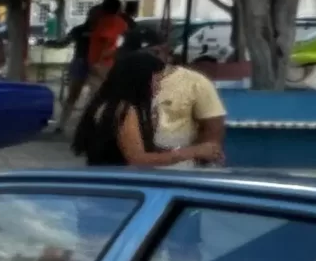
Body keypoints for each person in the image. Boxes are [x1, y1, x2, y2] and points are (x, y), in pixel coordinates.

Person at [71, 52, 219, 167]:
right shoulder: (124, 110)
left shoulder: (106, 103)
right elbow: (138, 159)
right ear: (141, 80)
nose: (159, 86)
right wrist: (193, 152)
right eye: (156, 80)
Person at [125, 27, 227, 166]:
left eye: (154, 52)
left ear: (166, 52)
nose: (147, 59)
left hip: (182, 166)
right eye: (139, 55)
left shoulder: (195, 82)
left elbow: (213, 127)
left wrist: (199, 158)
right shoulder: (122, 82)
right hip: (134, 165)